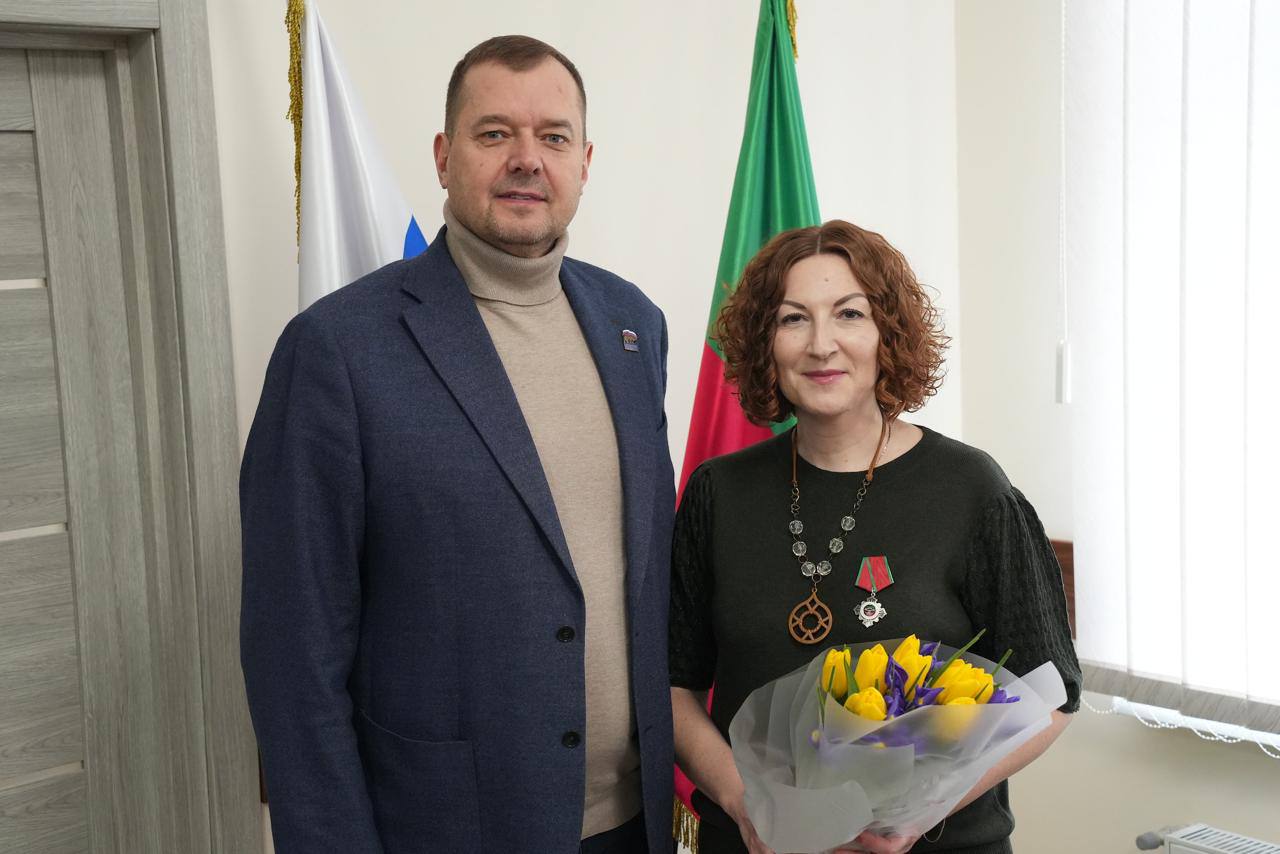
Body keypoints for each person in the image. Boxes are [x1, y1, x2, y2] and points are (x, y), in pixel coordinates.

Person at [240, 35, 675, 854]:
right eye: (494, 133)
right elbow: (293, 655)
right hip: (449, 829)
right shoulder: (338, 349)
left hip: (632, 825)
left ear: (584, 162)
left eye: (553, 137)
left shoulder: (633, 326)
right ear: (444, 157)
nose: (526, 159)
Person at [668, 220, 1081, 854]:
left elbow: (1052, 696)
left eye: (850, 314)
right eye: (793, 319)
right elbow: (674, 687)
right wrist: (747, 806)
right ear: (764, 343)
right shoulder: (717, 493)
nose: (821, 344)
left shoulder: (972, 489)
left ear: (889, 332)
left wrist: (914, 816)